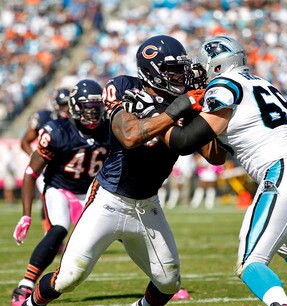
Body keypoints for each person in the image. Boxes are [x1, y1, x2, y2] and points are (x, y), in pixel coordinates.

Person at [22, 35, 226, 306]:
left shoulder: (184, 100)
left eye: (182, 69)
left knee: (169, 283)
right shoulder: (124, 87)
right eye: (173, 70)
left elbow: (215, 156)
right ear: (152, 71)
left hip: (148, 204)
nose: (182, 76)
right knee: (68, 278)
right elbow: (129, 135)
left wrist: (208, 112)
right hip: (109, 199)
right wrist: (176, 109)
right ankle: (29, 303)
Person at [159, 36, 287, 306]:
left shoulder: (223, 86)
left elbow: (185, 142)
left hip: (285, 171)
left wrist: (162, 117)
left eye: (203, 65)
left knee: (250, 263)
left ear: (218, 66)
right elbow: (218, 154)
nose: (198, 72)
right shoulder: (263, 83)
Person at [11, 79, 110, 306]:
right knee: (58, 230)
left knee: (127, 229)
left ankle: (164, 282)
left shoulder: (110, 128)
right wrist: (25, 214)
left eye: (97, 109)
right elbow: (30, 172)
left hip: (93, 189)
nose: (93, 115)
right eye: (88, 109)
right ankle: (26, 284)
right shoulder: (56, 130)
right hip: (60, 187)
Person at [20, 88, 70, 232]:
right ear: (56, 104)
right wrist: (37, 158)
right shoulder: (43, 117)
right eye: (63, 104)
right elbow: (25, 142)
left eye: (68, 104)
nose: (66, 108)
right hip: (47, 166)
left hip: (68, 166)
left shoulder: (76, 120)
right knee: (48, 198)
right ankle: (50, 232)